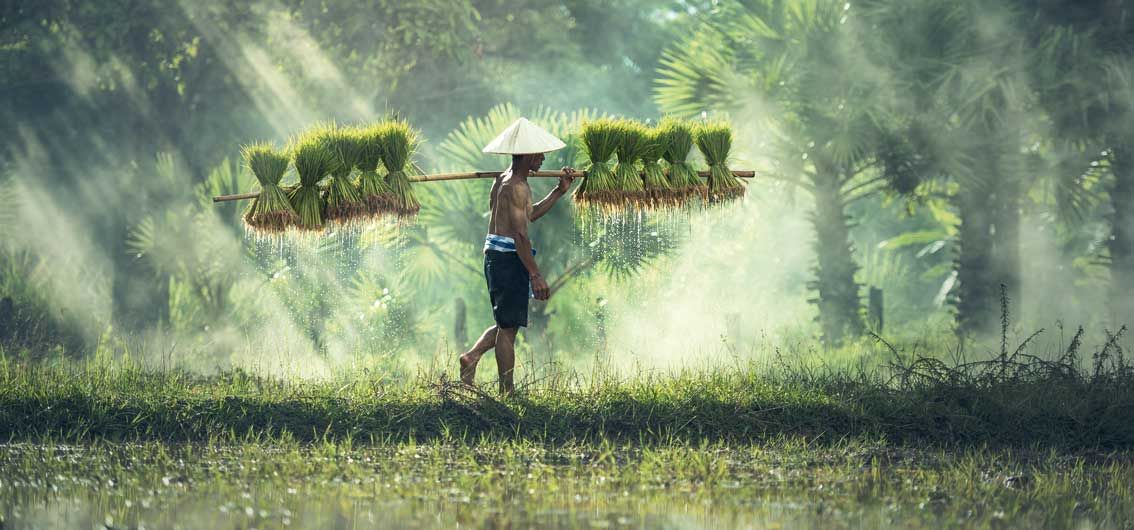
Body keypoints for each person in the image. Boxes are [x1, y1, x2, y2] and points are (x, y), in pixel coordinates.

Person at [459, 118, 576, 394]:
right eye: (539, 153)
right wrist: (535, 275)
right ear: (526, 155)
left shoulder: (504, 180)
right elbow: (521, 236)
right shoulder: (517, 187)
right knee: (509, 330)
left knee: (505, 322)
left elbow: (529, 214)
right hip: (507, 258)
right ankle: (507, 391)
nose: (543, 158)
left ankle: (471, 357)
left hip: (496, 254)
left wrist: (559, 191)